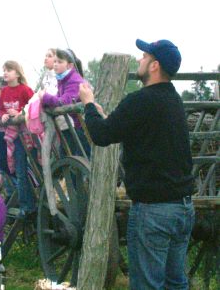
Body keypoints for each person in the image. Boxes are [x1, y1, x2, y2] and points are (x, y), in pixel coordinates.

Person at [79, 39, 195, 289]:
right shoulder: (173, 100)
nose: (139, 61)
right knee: (175, 283)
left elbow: (101, 136)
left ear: (154, 65)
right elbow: (128, 128)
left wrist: (88, 103)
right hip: (182, 208)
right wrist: (100, 115)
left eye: (143, 57)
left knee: (146, 285)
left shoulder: (140, 101)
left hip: (153, 212)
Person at [38, 48, 90, 158]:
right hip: (77, 125)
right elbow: (58, 97)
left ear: (70, 65)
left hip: (83, 127)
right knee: (69, 154)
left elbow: (64, 102)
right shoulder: (64, 79)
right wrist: (45, 101)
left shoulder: (74, 80)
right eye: (55, 61)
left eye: (60, 62)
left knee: (82, 156)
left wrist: (45, 97)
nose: (56, 64)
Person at [0, 60, 35, 217]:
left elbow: (34, 106)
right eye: (4, 70)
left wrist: (20, 112)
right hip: (14, 136)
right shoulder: (4, 91)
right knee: (20, 171)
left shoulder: (25, 90)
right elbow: (1, 109)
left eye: (9, 70)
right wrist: (4, 115)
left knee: (36, 167)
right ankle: (25, 206)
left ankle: (40, 199)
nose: (5, 73)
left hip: (29, 134)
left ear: (17, 73)